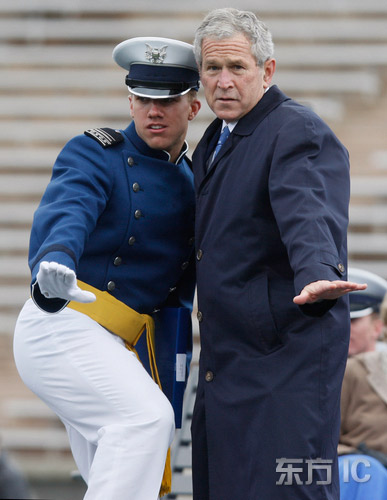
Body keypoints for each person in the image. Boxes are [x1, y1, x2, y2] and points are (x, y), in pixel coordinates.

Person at [13, 36, 201, 500]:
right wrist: (55, 260)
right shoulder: (97, 152)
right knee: (144, 421)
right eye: (143, 99)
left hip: (125, 342)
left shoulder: (194, 176)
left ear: (193, 108)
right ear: (130, 100)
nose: (153, 111)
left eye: (168, 101)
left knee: (115, 469)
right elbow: (69, 208)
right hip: (65, 322)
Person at [190, 8, 366, 500]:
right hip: (230, 361)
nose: (223, 82)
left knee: (291, 490)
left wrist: (317, 270)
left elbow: (306, 208)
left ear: (267, 72)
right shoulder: (214, 140)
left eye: (237, 68)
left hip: (285, 361)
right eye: (211, 69)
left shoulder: (295, 129)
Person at [339, 268, 387, 461]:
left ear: (377, 327)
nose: (343, 327)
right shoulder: (347, 373)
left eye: (354, 320)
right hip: (363, 481)